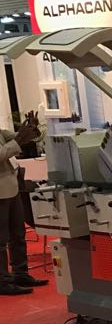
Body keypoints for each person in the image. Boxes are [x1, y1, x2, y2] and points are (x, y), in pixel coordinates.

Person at [0, 112, 48, 296]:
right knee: (1, 240)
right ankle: (2, 280)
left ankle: (20, 273)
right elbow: (2, 153)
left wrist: (31, 129)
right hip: (2, 193)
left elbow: (20, 137)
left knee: (18, 234)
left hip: (11, 188)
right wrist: (20, 138)